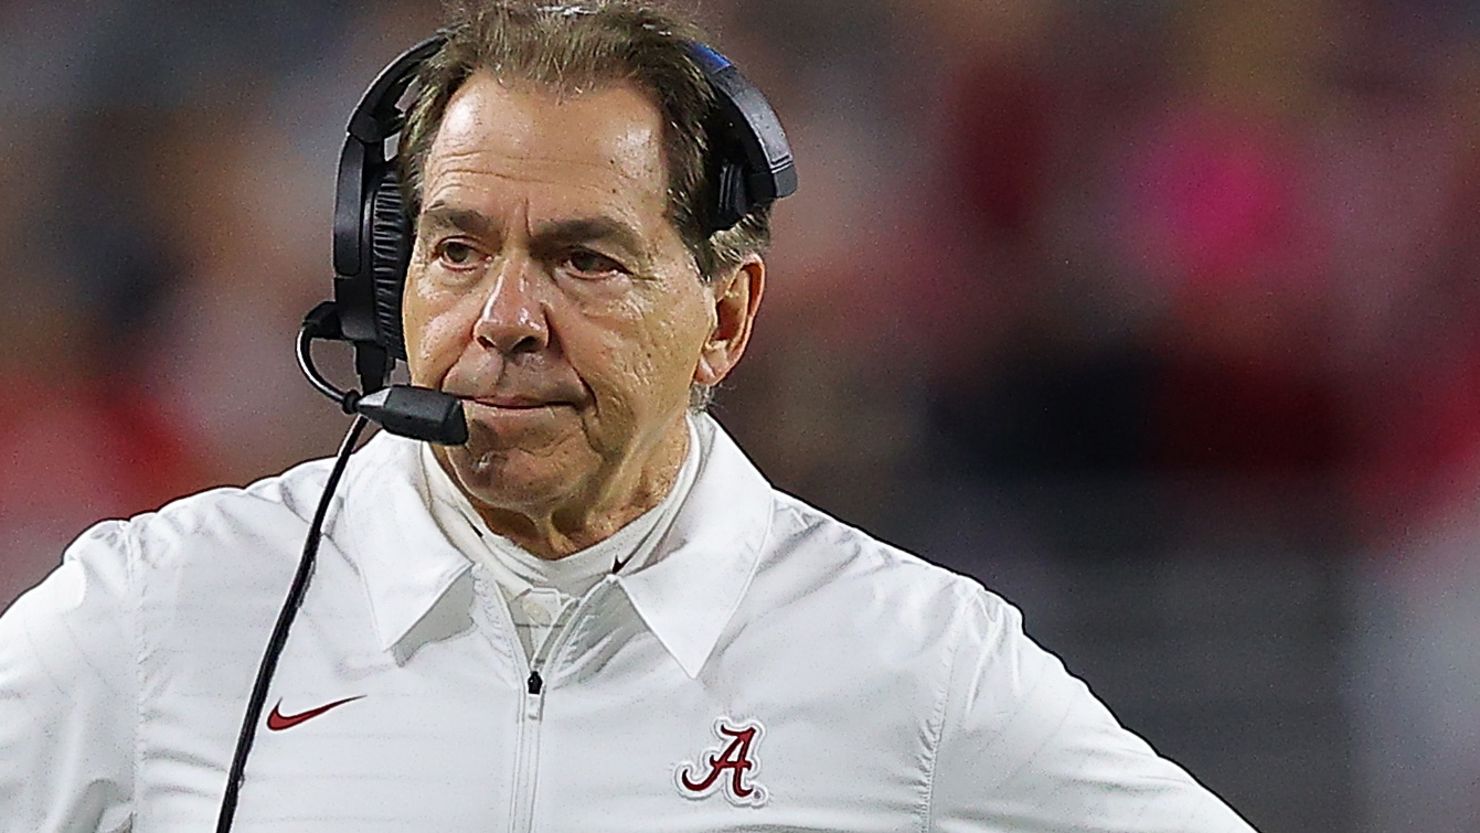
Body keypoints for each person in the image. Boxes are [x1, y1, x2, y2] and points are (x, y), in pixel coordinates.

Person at [0, 2, 1260, 830]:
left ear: (724, 317)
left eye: (583, 259)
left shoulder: (914, 659)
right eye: (454, 247)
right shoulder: (165, 609)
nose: (504, 316)